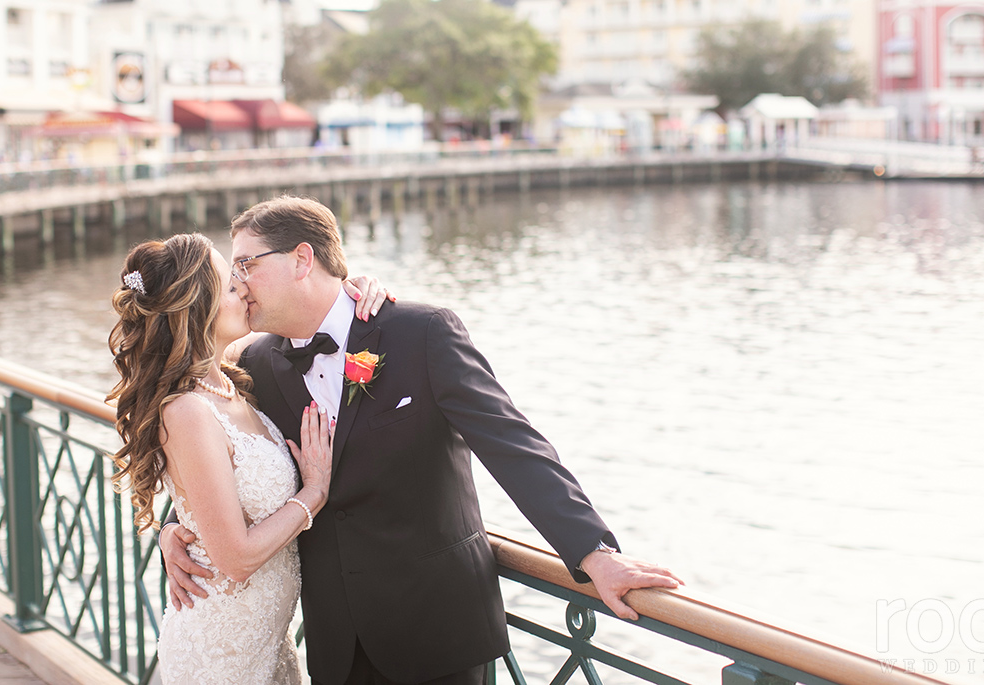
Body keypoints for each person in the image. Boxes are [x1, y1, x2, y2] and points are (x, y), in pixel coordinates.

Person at [160, 196, 682, 685]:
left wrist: (595, 553)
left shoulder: (421, 332)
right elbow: (222, 454)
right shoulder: (256, 363)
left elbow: (515, 446)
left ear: (301, 259)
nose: (238, 282)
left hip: (440, 632)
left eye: (247, 264)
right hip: (336, 644)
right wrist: (174, 529)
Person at [107, 233, 389, 685]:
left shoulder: (232, 377)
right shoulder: (188, 411)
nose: (244, 288)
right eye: (230, 284)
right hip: (223, 654)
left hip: (268, 644)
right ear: (197, 310)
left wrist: (349, 288)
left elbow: (205, 494)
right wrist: (313, 493)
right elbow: (235, 559)